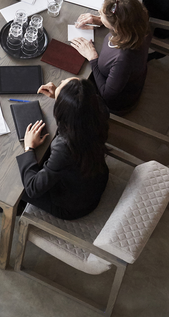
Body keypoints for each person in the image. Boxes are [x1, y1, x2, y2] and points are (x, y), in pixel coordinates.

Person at [16, 78, 110, 220]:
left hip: (71, 206)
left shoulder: (65, 148)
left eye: (62, 84)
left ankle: (9, 206)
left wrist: (29, 147)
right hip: (94, 180)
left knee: (14, 183)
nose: (61, 80)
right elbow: (80, 108)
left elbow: (33, 188)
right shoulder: (98, 111)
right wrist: (61, 98)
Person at [71, 0, 152, 115]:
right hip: (127, 76)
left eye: (102, 13)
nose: (98, 12)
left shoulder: (123, 59)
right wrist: (101, 20)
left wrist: (92, 58)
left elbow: (106, 94)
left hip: (117, 101)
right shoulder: (140, 22)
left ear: (117, 27)